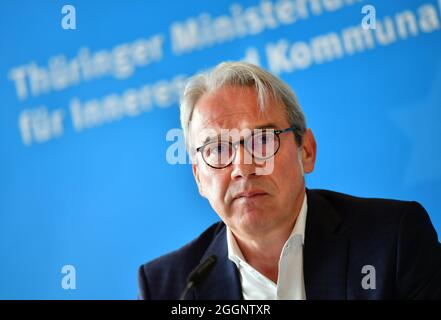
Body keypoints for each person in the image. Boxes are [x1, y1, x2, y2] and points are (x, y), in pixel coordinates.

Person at [138, 61, 441, 300]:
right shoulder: (170, 287)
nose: (242, 167)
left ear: (306, 150)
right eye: (218, 150)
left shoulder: (392, 240)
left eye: (262, 140)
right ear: (198, 178)